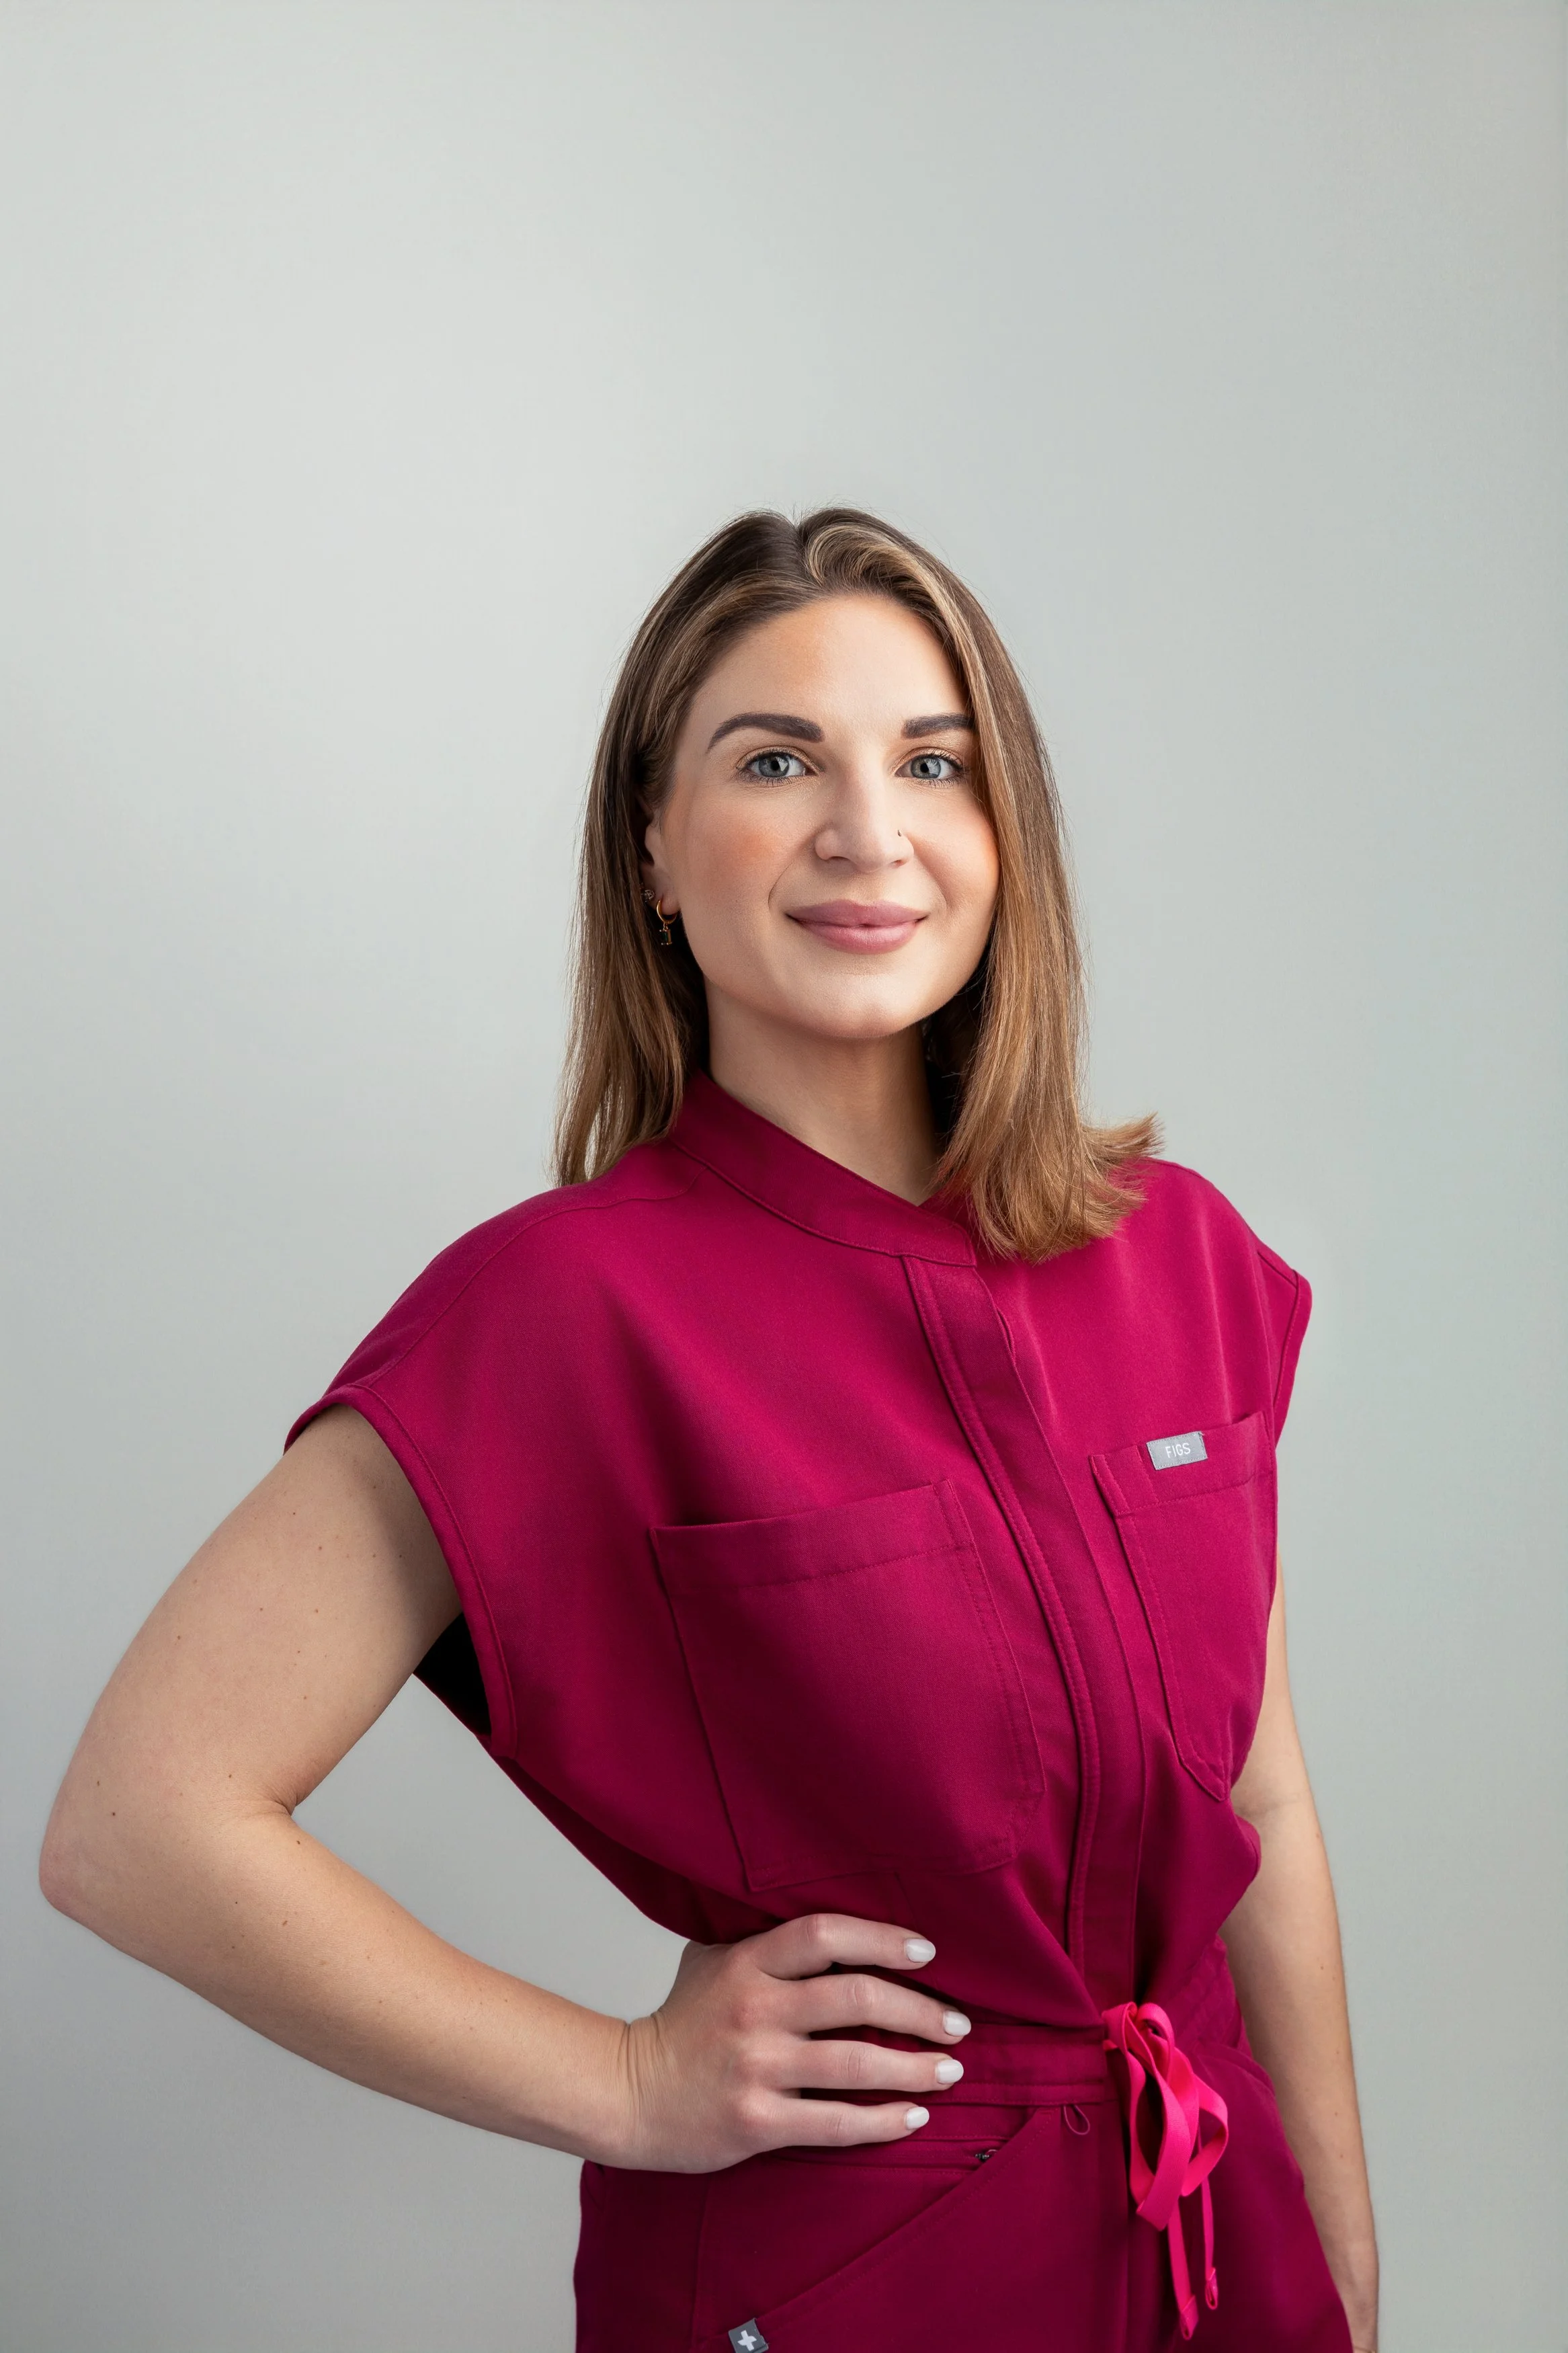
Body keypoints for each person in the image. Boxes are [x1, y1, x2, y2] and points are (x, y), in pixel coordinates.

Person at [42, 508, 1378, 2351]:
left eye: (932, 761)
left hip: (1211, 2236)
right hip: (848, 2272)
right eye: (775, 760)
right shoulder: (556, 1317)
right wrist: (624, 2079)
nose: (865, 828)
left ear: (1005, 838)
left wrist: (1336, 2253)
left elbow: (1257, 1796)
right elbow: (140, 1821)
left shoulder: (1182, 1260)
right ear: (654, 851)